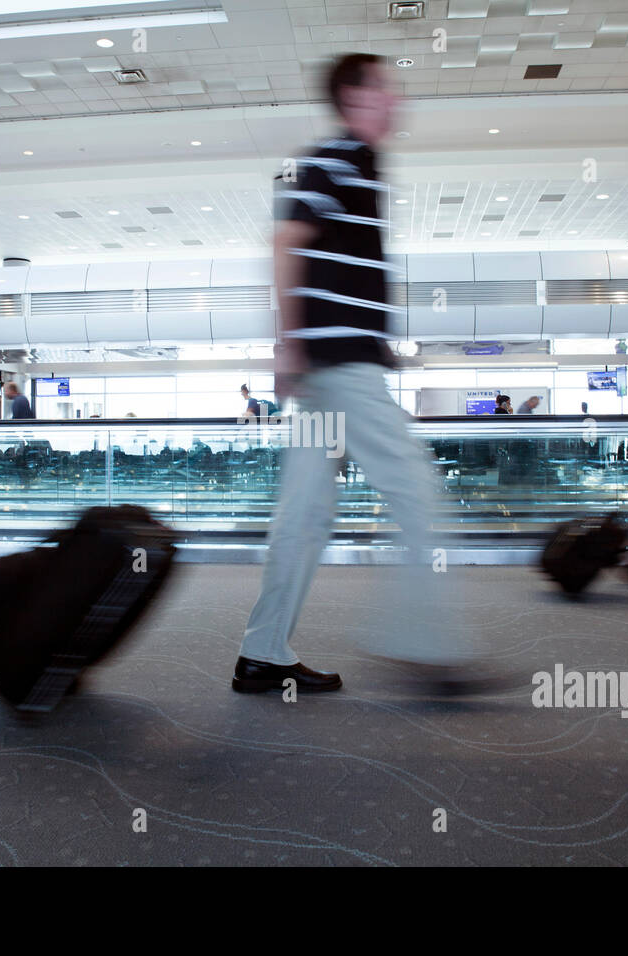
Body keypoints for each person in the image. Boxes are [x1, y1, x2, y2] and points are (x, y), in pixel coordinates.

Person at [233, 52, 492, 697]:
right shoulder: (329, 158)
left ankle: (263, 652)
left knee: (306, 513)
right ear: (356, 96)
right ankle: (424, 646)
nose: (396, 99)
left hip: (338, 366)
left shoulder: (362, 166)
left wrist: (371, 343)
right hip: (337, 369)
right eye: (386, 88)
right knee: (416, 494)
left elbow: (334, 268)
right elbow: (285, 241)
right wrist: (287, 343)